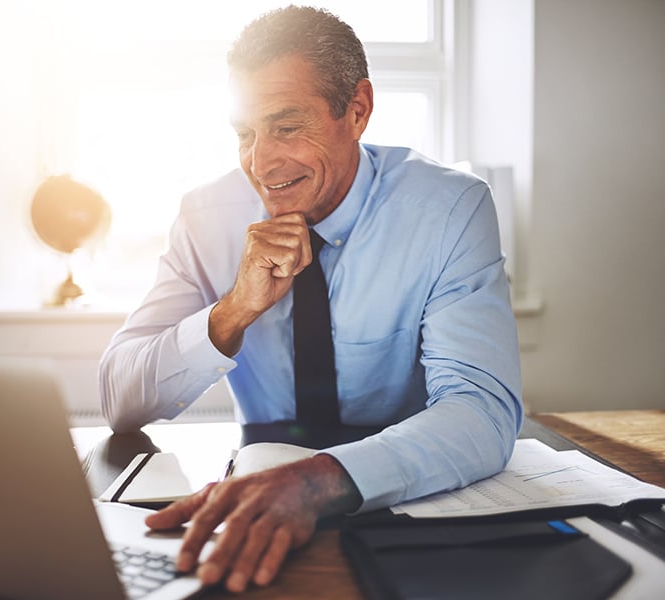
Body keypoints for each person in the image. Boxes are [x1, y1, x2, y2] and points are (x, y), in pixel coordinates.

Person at [99, 5, 522, 593]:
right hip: (254, 506)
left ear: (358, 110)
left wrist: (316, 480)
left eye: (287, 126)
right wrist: (232, 312)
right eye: (245, 134)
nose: (260, 163)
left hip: (407, 498)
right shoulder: (205, 217)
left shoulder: (451, 210)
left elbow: (482, 411)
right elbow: (119, 398)